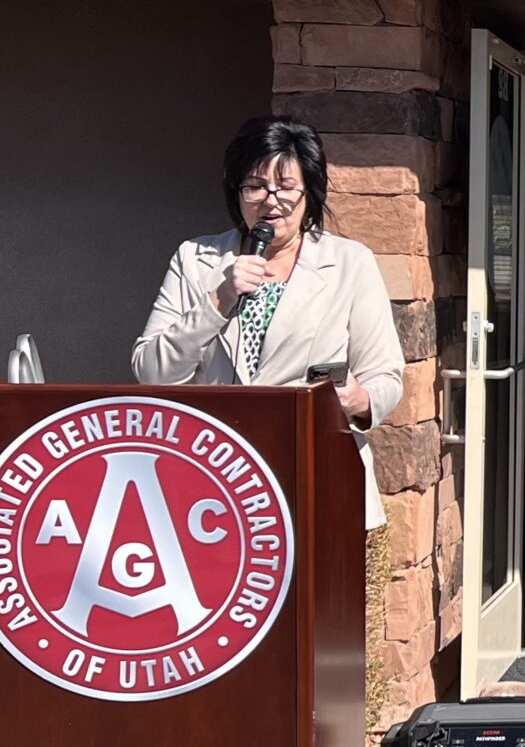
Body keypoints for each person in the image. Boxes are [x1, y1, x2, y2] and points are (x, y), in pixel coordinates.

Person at [133, 116, 406, 529]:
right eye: (255, 186)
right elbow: (150, 372)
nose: (270, 201)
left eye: (286, 188)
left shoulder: (351, 264)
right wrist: (218, 300)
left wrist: (358, 400)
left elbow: (385, 375)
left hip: (314, 481)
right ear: (236, 192)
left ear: (310, 193)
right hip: (209, 489)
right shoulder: (195, 259)